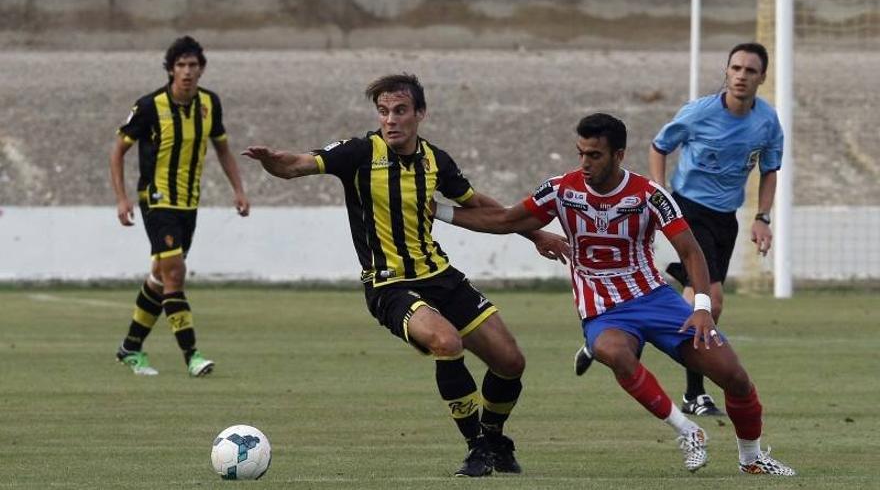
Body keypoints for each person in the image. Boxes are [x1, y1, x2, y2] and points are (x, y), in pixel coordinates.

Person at [242, 73, 566, 477]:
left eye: (399, 111)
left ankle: (494, 437)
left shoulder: (436, 161)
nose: (390, 120)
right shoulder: (359, 153)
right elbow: (298, 165)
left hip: (440, 275)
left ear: (420, 114)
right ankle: (475, 447)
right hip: (388, 284)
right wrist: (274, 161)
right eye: (383, 112)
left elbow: (479, 204)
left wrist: (535, 234)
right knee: (446, 342)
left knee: (510, 362)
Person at [434, 112, 795, 475]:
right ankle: (687, 430)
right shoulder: (561, 190)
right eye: (581, 154)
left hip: (654, 298)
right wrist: (437, 210)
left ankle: (752, 458)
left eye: (595, 155)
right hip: (603, 309)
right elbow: (504, 220)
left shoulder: (649, 195)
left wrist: (701, 305)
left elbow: (690, 251)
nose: (585, 163)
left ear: (619, 155)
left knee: (733, 375)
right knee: (611, 351)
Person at [573, 42, 783, 417]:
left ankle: (615, 325)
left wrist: (762, 217)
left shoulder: (767, 121)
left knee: (694, 298)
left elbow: (770, 170)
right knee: (711, 300)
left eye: (750, 71)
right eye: (735, 68)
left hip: (725, 217)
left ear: (762, 78)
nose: (741, 76)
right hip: (689, 209)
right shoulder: (699, 113)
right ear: (726, 72)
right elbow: (659, 145)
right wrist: (659, 194)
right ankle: (693, 393)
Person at [110, 35, 250, 377]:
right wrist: (122, 197)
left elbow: (222, 148)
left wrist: (239, 189)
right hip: (156, 199)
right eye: (180, 65)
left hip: (189, 202)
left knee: (160, 277)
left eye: (192, 65)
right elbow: (117, 152)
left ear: (201, 69)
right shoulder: (149, 106)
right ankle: (192, 355)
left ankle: (130, 346)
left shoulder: (209, 104)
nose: (187, 72)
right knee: (175, 273)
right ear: (171, 70)